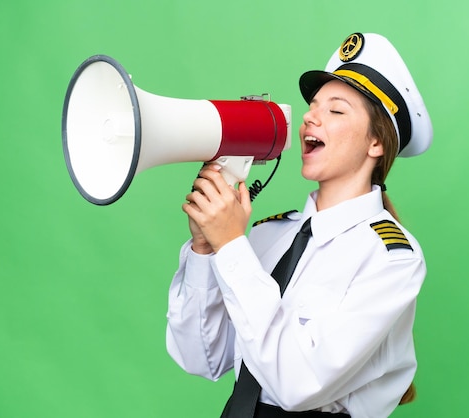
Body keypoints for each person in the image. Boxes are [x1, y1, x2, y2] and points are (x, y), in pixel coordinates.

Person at [166, 32, 433, 418]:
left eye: (336, 111)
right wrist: (206, 251)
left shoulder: (391, 258)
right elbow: (201, 358)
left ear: (376, 142)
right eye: (312, 106)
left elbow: (297, 385)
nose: (310, 116)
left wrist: (230, 247)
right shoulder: (268, 234)